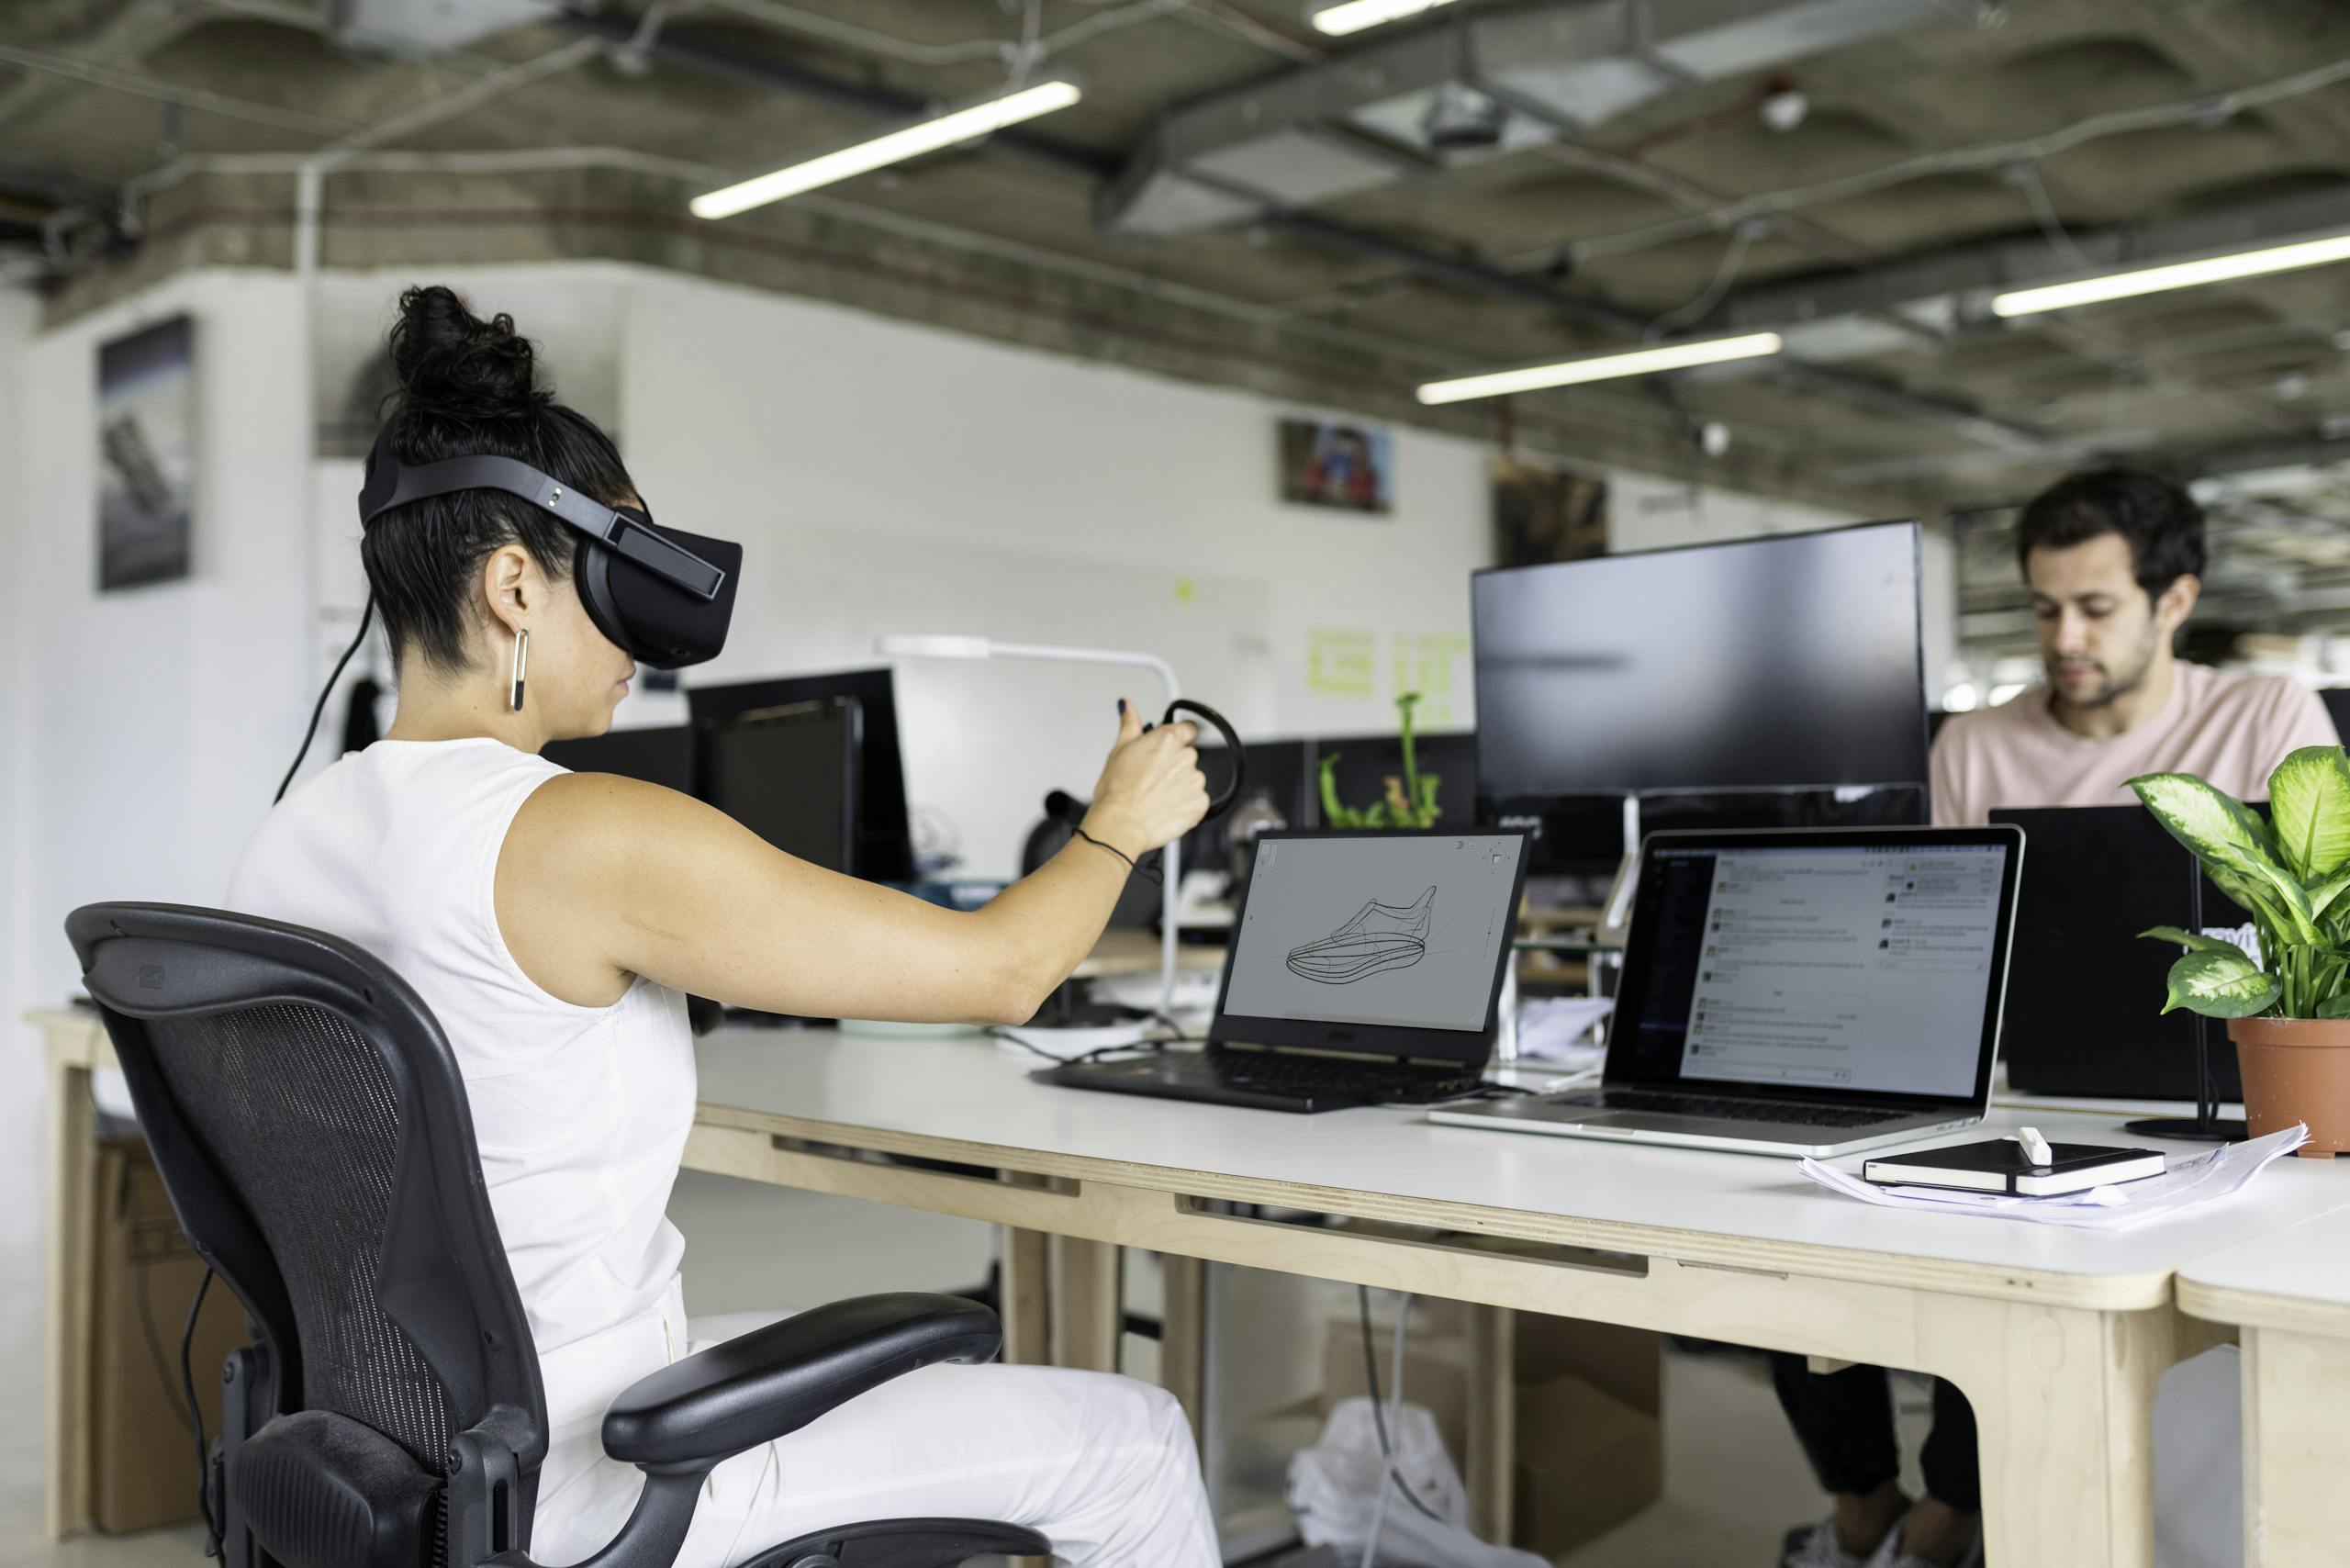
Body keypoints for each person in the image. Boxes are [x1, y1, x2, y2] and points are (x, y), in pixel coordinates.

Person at [228, 286, 1221, 1568]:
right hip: (588, 1466)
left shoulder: (289, 837)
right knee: (1131, 1439)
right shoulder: (583, 835)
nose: (642, 640)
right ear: (517, 585)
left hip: (402, 1448)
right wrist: (1117, 828)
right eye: (614, 571)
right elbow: (1010, 969)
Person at [1774, 465, 2341, 1568]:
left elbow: (2314, 940)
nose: (2062, 636)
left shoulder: (2265, 716)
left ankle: (1940, 1522)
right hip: (2017, 1093)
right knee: (1798, 1233)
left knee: (2033, 1282)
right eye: (2043, 609)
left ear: (2172, 600)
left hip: (2214, 1106)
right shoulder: (1971, 747)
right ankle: (1870, 1508)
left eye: (2094, 608)